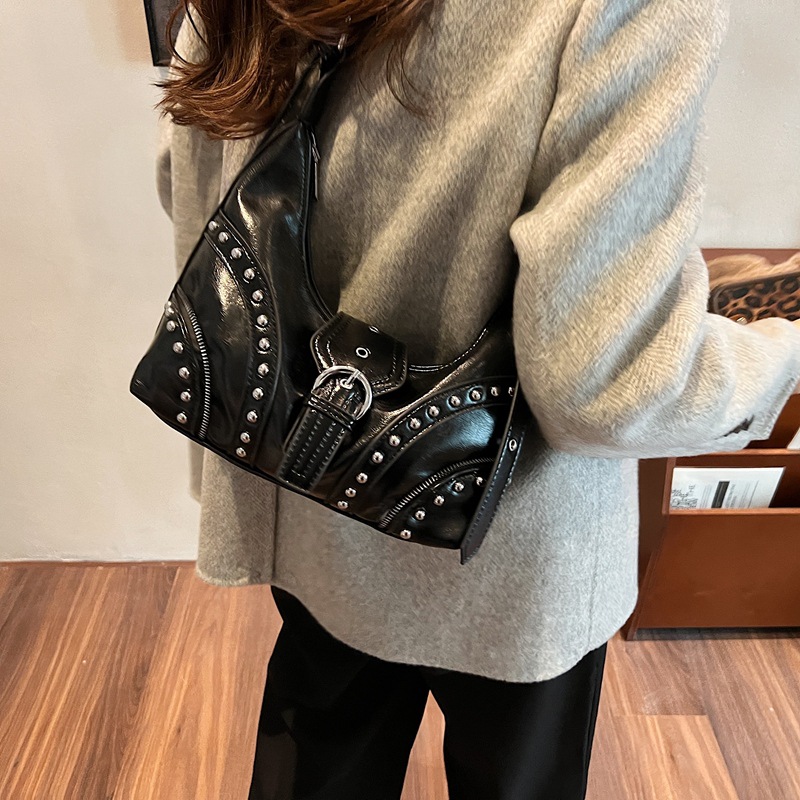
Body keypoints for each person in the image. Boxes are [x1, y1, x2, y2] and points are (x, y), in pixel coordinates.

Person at [151, 1, 800, 798]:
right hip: (513, 550)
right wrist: (782, 355)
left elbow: (189, 176)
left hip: (311, 478)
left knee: (321, 756)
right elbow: (606, 383)